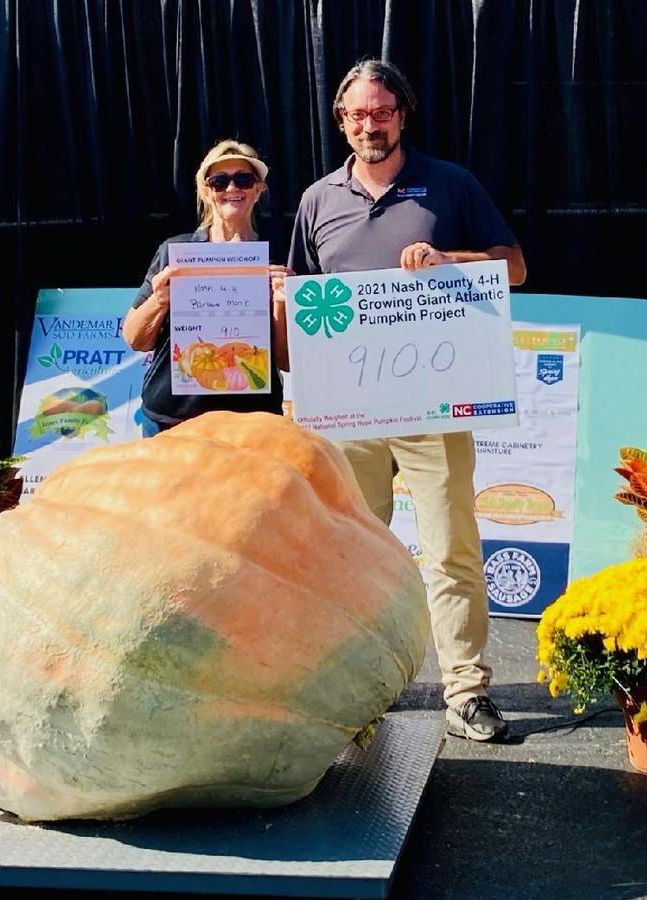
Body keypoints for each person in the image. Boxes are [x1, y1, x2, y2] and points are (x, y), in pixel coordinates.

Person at [288, 58, 527, 742]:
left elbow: (512, 266)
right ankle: (363, 688)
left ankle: (467, 691)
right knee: (357, 556)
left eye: (381, 112)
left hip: (436, 407)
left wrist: (451, 260)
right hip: (350, 416)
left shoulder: (448, 184)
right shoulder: (316, 200)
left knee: (450, 548)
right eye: (356, 114)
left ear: (402, 114)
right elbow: (307, 304)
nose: (369, 124)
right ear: (341, 120)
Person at [123, 139, 289, 436]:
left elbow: (286, 361)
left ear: (258, 188)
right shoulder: (175, 251)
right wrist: (159, 301)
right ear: (206, 191)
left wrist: (281, 303)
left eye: (243, 179)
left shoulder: (278, 256)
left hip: (251, 424)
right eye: (219, 181)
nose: (232, 189)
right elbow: (135, 339)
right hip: (173, 420)